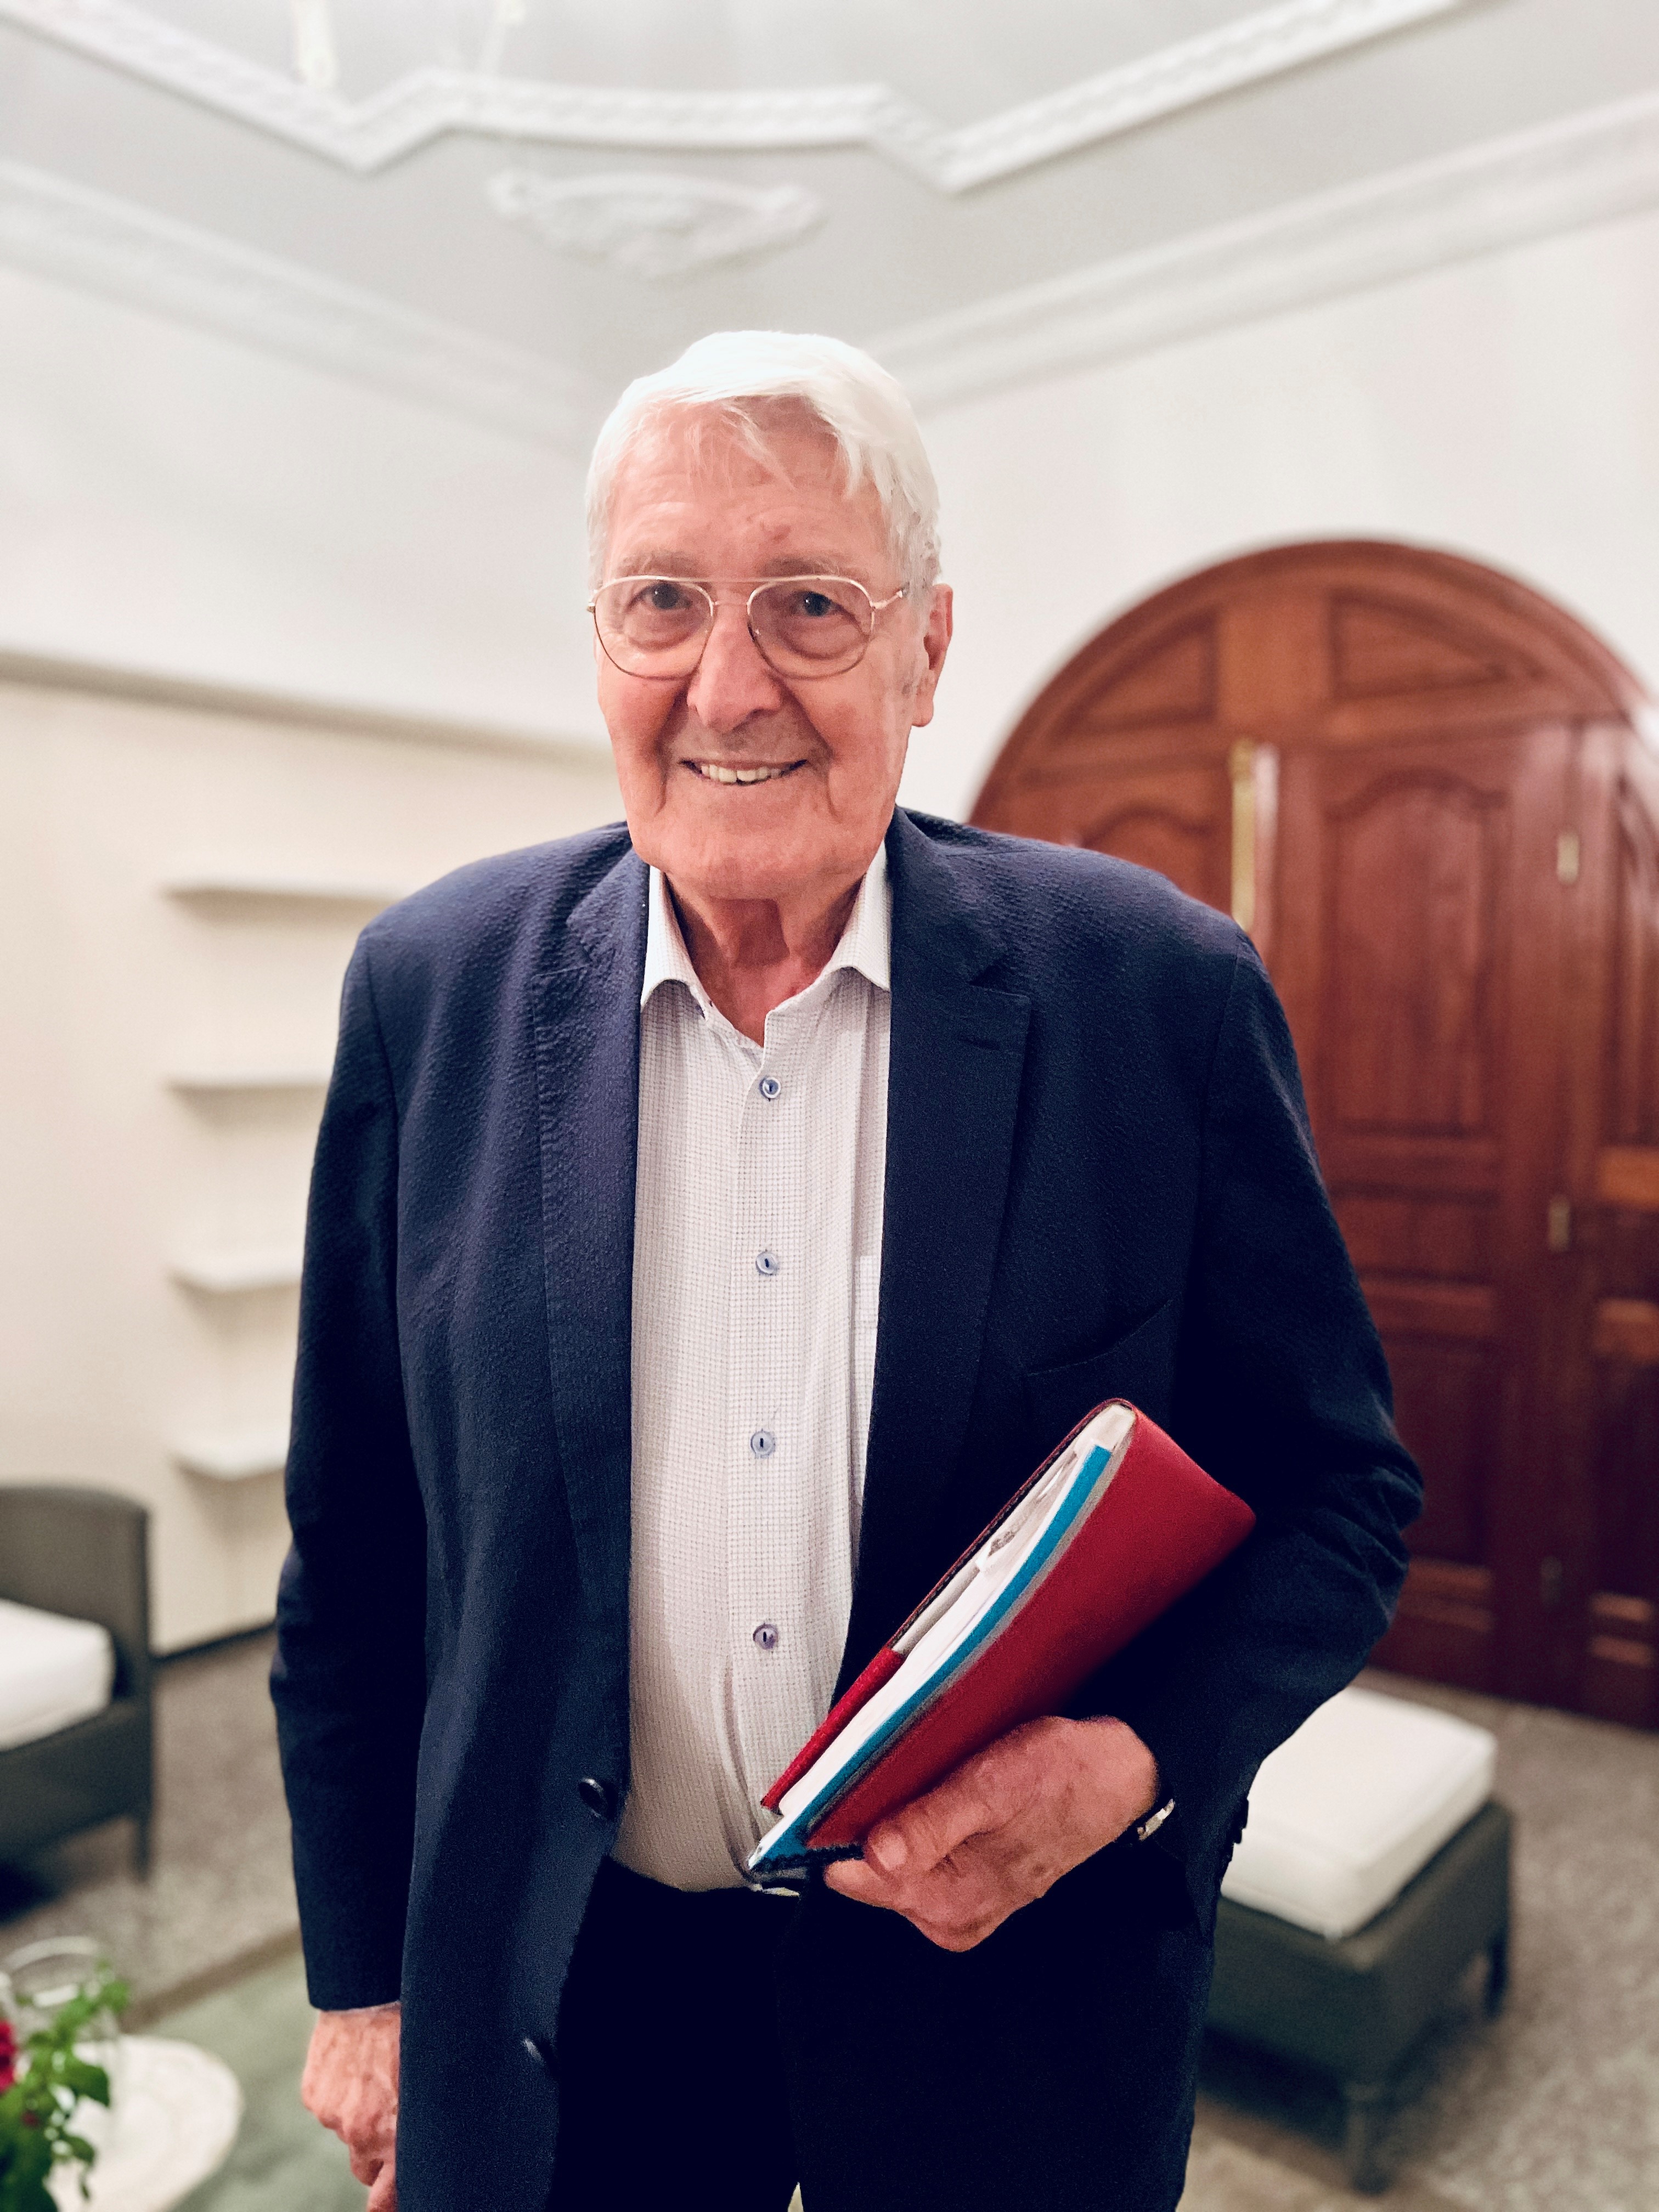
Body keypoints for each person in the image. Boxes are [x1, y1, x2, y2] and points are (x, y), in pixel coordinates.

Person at [272, 330, 1419, 2212]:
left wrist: (1127, 1763)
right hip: (570, 1988)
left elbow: (1342, 1494)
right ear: (600, 637)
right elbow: (361, 1543)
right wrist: (367, 1983)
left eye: (811, 603)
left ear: (927, 651)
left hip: (999, 1998)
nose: (731, 684)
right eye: (665, 601)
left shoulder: (1157, 997)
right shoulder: (429, 995)